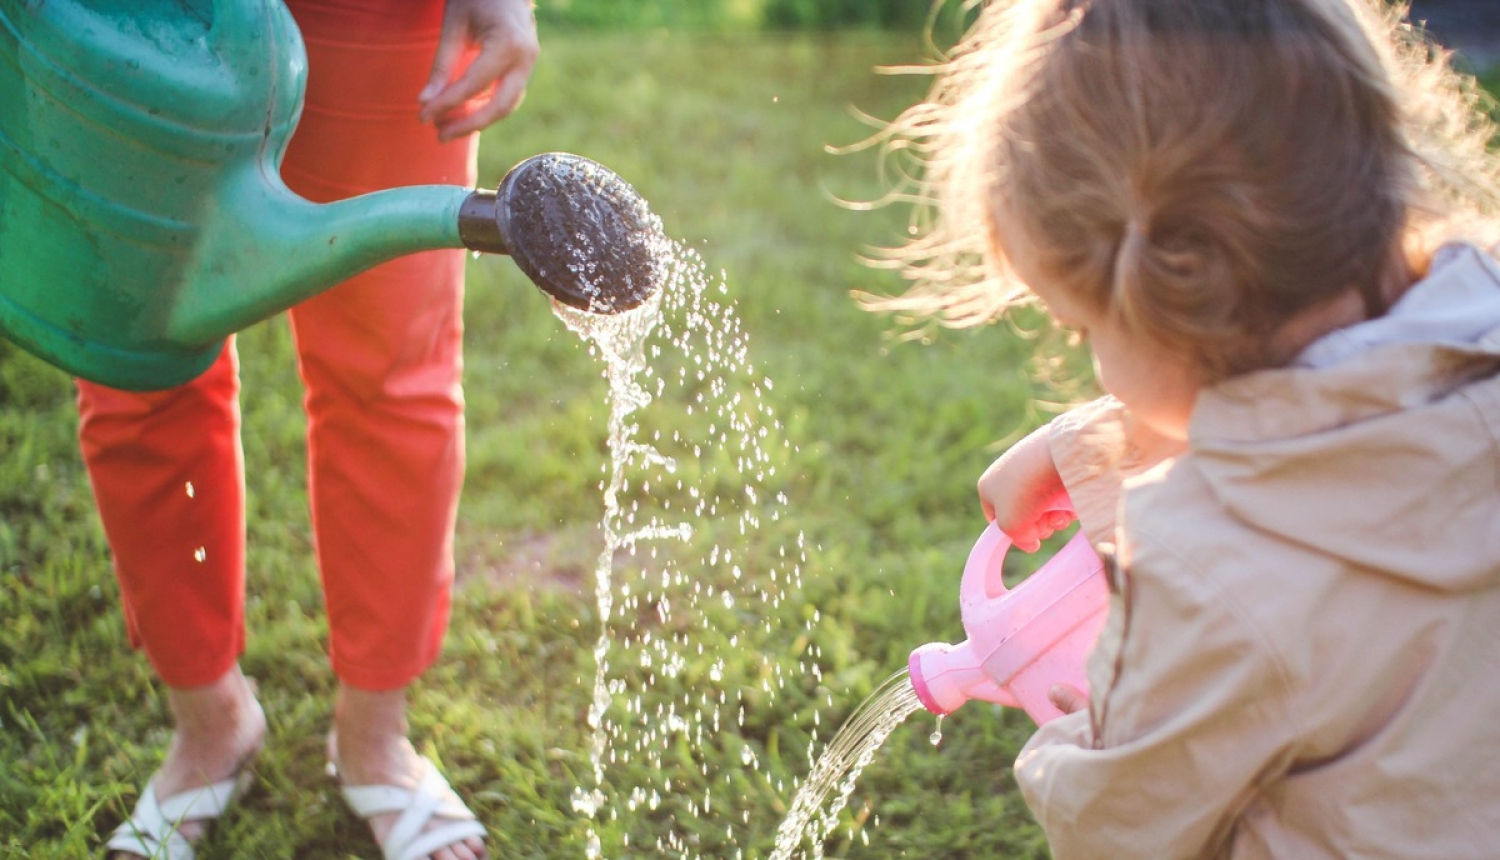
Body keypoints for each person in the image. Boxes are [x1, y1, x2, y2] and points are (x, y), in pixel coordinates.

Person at [875, 0, 1500, 856]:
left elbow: (1119, 828)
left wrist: (1081, 724)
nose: (1085, 352)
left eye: (1080, 329)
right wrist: (1100, 447)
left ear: (1171, 311)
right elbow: (1337, 419)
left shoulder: (1205, 585)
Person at [86, 1, 537, 858]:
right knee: (137, 365)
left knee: (392, 372)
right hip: (135, 14)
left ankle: (375, 739)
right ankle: (210, 725)